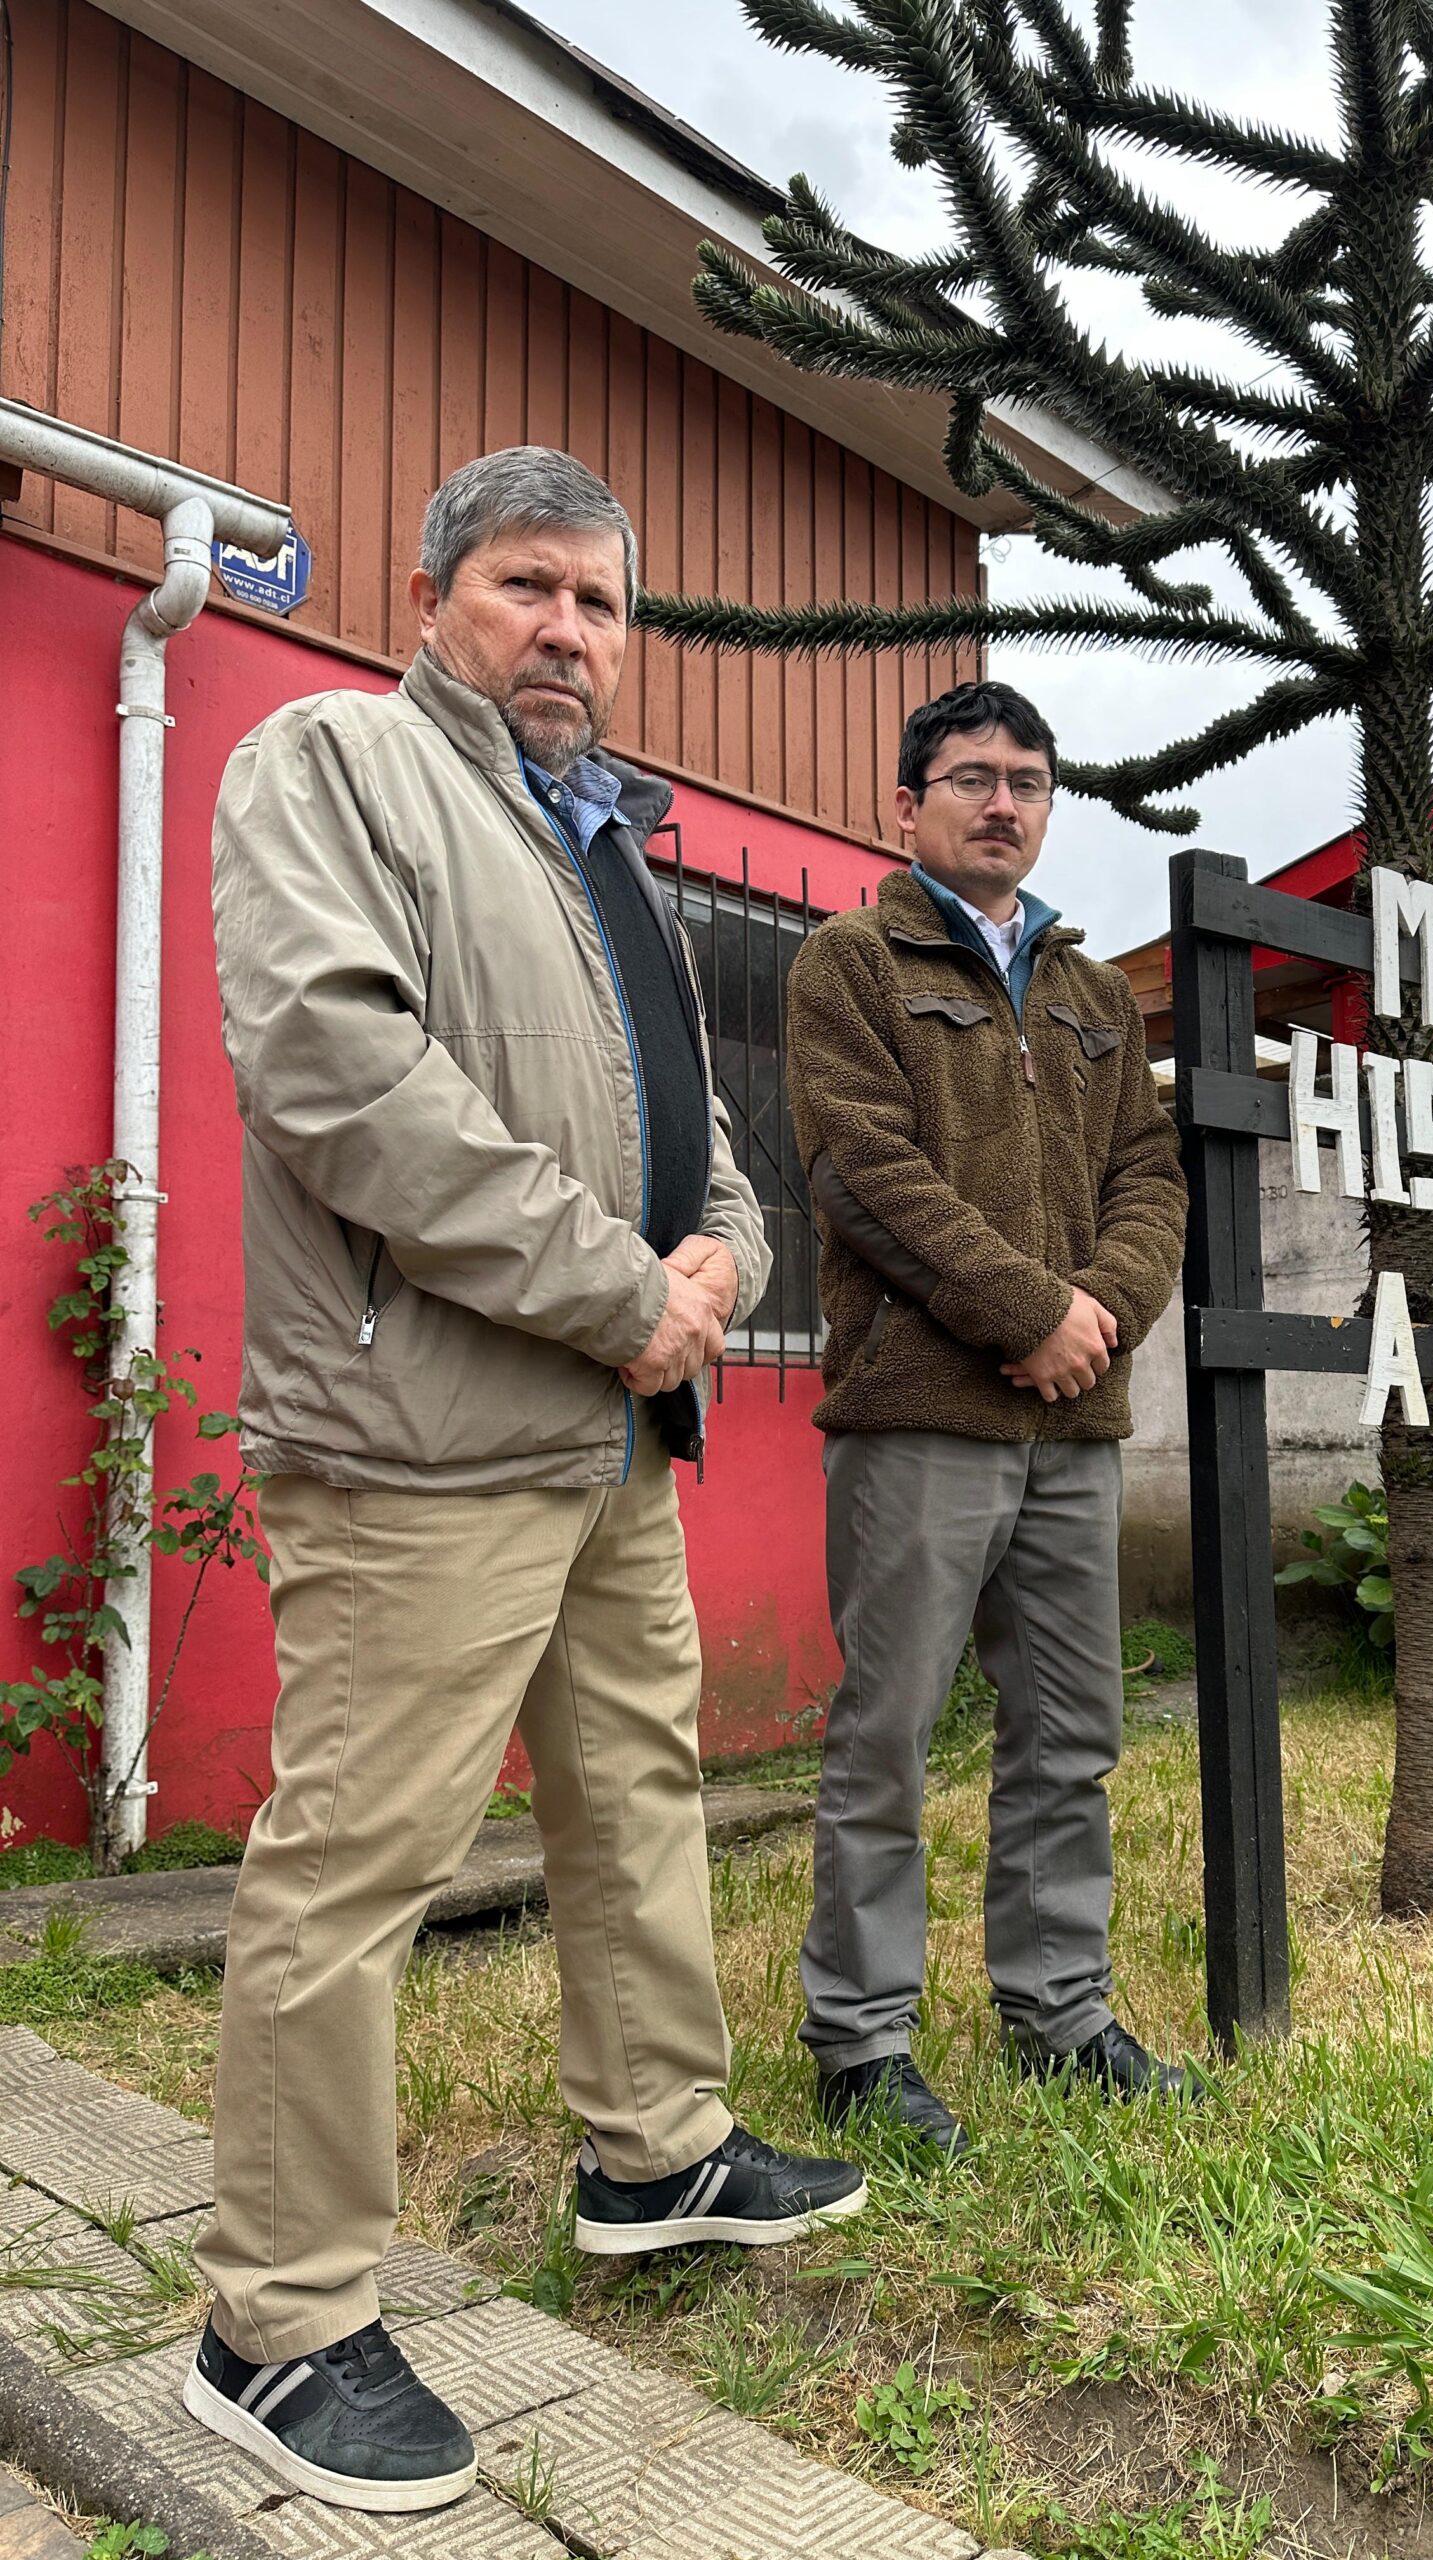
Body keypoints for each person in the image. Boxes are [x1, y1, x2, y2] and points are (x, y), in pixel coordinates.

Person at [186, 447, 863, 2516]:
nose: (568, 629)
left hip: (605, 1437)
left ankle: (656, 2152)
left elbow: (703, 1135)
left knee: (639, 1791)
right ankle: (276, 2321)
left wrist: (724, 1256)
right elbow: (338, 1072)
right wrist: (619, 1292)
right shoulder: (335, 766)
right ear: (431, 593)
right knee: (357, 1862)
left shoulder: (611, 849)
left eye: (600, 600)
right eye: (526, 585)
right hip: (425, 1437)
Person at [784, 679, 1190, 2160]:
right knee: (887, 1735)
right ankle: (862, 2040)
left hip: (1074, 1425)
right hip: (921, 1414)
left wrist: (1100, 1316)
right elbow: (861, 1175)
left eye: (1026, 777)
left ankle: (1062, 2011)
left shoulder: (1093, 997)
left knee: (1072, 1733)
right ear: (909, 805)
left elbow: (1151, 1175)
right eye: (969, 777)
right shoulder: (851, 963)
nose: (1000, 800)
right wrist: (1029, 1313)